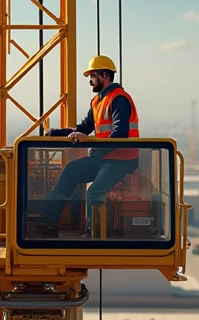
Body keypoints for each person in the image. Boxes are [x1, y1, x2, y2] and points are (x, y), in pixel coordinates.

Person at [28, 55, 140, 237]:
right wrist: (57, 133)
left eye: (92, 76)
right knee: (71, 171)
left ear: (105, 75)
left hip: (121, 159)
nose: (90, 81)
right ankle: (48, 221)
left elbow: (120, 133)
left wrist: (96, 147)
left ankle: (92, 234)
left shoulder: (119, 99)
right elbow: (84, 128)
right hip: (103, 157)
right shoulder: (97, 101)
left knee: (95, 192)